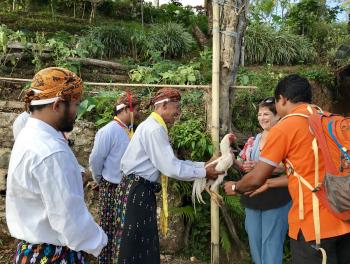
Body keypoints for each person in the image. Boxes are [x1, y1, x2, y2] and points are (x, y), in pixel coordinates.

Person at [224, 74, 350, 264]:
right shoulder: (328, 120)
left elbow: (256, 177)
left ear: (282, 99)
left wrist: (235, 187)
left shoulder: (286, 127)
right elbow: (308, 173)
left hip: (313, 228)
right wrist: (270, 183)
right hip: (344, 219)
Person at [6, 67, 107, 264]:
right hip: (53, 256)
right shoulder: (51, 151)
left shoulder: (28, 135)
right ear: (58, 104)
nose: (76, 112)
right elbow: (70, 220)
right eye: (75, 104)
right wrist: (100, 242)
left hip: (31, 252)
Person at [115, 87, 223, 264]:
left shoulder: (153, 126)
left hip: (137, 190)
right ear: (164, 105)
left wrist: (204, 165)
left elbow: (171, 162)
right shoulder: (154, 129)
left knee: (138, 245)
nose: (178, 112)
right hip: (138, 192)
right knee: (136, 246)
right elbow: (170, 167)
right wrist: (204, 171)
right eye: (176, 107)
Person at [233, 97, 291, 264]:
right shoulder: (253, 140)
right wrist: (231, 159)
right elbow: (241, 163)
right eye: (259, 114)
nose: (262, 118)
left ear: (277, 116)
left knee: (271, 242)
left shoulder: (285, 137)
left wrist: (261, 166)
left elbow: (291, 166)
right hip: (252, 195)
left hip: (276, 196)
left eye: (266, 114)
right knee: (255, 241)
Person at [89, 93, 140, 264]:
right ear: (125, 109)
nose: (139, 113)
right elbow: (95, 160)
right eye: (136, 109)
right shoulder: (108, 131)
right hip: (111, 188)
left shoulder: (130, 130)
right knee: (108, 229)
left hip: (127, 188)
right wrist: (100, 181)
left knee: (124, 229)